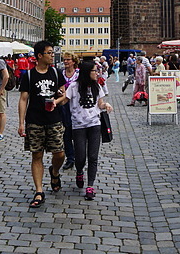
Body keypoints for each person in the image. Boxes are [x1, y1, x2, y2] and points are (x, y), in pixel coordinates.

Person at [18, 40, 66, 208]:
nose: (52, 55)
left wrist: (56, 100)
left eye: (53, 53)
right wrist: (21, 123)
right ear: (39, 55)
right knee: (36, 155)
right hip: (34, 121)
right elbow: (23, 99)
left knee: (59, 153)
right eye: (50, 53)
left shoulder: (56, 72)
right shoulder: (29, 75)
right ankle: (39, 191)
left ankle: (55, 172)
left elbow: (64, 94)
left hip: (54, 120)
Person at [65, 61, 113, 200]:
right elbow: (64, 99)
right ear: (87, 72)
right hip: (78, 125)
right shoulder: (74, 87)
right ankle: (79, 171)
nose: (97, 73)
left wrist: (106, 105)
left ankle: (90, 186)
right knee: (80, 157)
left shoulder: (97, 86)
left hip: (94, 124)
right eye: (94, 71)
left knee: (93, 156)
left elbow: (100, 103)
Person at [60, 52, 80, 171]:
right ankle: (70, 158)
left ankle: (79, 157)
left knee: (77, 132)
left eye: (68, 60)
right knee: (66, 132)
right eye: (64, 60)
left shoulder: (78, 74)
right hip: (64, 105)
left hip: (77, 105)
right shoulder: (61, 73)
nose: (66, 62)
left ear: (73, 61)